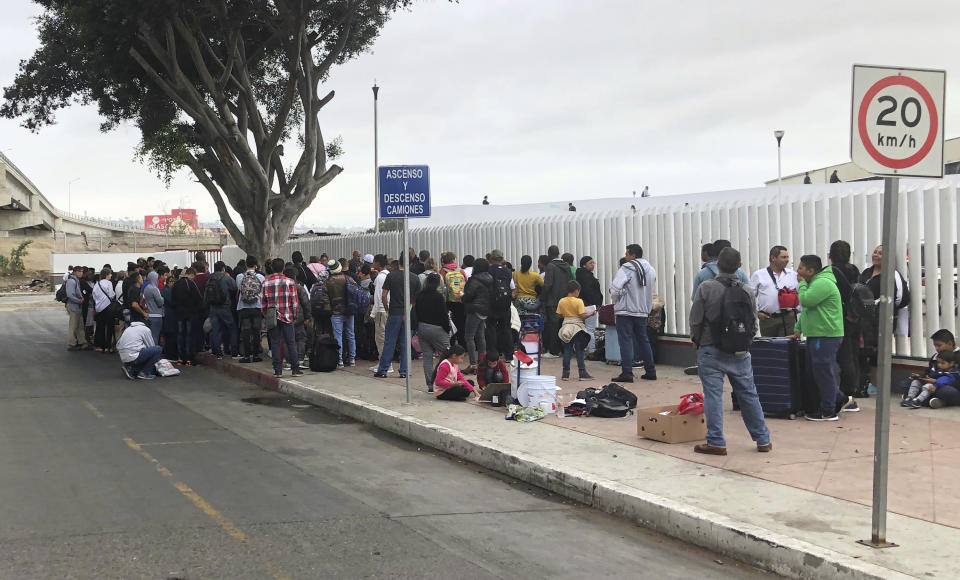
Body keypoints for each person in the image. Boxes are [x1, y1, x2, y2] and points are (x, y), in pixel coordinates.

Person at [689, 247, 771, 455]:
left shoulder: (706, 287)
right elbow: (753, 321)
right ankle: (763, 439)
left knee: (713, 396)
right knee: (749, 394)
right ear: (739, 266)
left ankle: (716, 441)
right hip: (740, 351)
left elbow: (696, 319)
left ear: (718, 264)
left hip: (710, 349)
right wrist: (745, 342)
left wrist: (698, 342)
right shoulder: (746, 290)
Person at [793, 254, 858, 421]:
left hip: (826, 335)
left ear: (811, 270)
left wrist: (800, 284)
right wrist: (798, 328)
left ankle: (828, 410)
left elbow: (806, 301)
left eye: (801, 268)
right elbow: (808, 311)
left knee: (823, 372)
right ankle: (839, 399)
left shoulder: (822, 283)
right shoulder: (814, 283)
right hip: (818, 333)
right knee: (817, 371)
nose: (797, 271)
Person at [859, 244, 910, 388]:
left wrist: (885, 307)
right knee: (864, 351)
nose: (876, 255)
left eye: (880, 253)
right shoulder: (866, 273)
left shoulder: (892, 275)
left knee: (877, 352)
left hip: (882, 320)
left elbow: (902, 298)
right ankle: (864, 381)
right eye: (875, 252)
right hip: (864, 320)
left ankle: (875, 384)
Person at [609, 244, 658, 382]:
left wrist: (616, 300)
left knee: (625, 341)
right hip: (642, 310)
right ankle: (650, 371)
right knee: (643, 340)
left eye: (627, 254)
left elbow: (615, 289)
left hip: (625, 310)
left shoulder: (625, 268)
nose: (625, 257)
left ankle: (627, 373)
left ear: (633, 255)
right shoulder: (651, 270)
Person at [829, 240, 865, 398]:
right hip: (855, 318)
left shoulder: (831, 272)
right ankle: (853, 388)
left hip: (840, 318)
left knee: (844, 357)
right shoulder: (855, 270)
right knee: (853, 354)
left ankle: (846, 392)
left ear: (830, 255)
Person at [374, 255, 421, 379]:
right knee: (406, 343)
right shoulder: (415, 278)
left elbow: (384, 295)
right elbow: (417, 298)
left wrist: (387, 308)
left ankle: (383, 369)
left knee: (389, 341)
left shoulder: (391, 276)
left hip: (394, 312)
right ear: (410, 264)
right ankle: (404, 371)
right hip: (408, 314)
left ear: (398, 262)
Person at [262, 257, 303, 377]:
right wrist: (294, 315)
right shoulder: (290, 282)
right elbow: (295, 303)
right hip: (287, 316)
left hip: (272, 316)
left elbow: (263, 303)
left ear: (272, 268)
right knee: (291, 342)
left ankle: (277, 370)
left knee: (275, 343)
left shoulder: (266, 283)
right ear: (283, 268)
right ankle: (295, 369)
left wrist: (267, 315)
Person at [749, 246, 799, 337]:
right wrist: (757, 313)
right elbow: (749, 297)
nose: (787, 260)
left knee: (787, 348)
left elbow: (802, 294)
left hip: (788, 319)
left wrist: (797, 310)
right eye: (783, 257)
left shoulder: (793, 275)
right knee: (770, 348)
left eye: (787, 257)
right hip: (768, 319)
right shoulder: (759, 275)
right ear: (773, 258)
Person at [415, 273, 451, 391]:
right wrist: (447, 329)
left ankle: (430, 385)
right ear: (438, 283)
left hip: (422, 327)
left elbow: (416, 312)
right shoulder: (438, 296)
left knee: (427, 357)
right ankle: (447, 381)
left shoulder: (420, 295)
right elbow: (443, 315)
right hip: (437, 328)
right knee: (447, 356)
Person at [557, 280, 595, 381]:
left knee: (567, 350)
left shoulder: (561, 301)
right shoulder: (579, 301)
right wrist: (591, 314)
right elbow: (582, 315)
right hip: (577, 327)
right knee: (579, 350)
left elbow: (559, 314)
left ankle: (565, 373)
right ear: (576, 291)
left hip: (566, 326)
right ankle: (582, 373)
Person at [323, 259, 358, 368]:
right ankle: (352, 359)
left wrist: (329, 310)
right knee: (351, 335)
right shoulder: (349, 279)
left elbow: (325, 300)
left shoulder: (328, 282)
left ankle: (340, 361)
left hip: (336, 312)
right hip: (349, 311)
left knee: (338, 336)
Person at [461, 258, 492, 373]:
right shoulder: (490, 278)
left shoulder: (474, 280)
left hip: (474, 310)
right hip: (485, 310)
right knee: (480, 336)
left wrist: (462, 297)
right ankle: (482, 363)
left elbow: (469, 295)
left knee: (469, 336)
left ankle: (473, 364)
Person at [542, 245, 573, 357]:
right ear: (558, 253)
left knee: (553, 326)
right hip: (565, 300)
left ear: (550, 254)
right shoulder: (567, 266)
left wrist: (542, 297)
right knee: (564, 325)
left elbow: (548, 284)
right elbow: (571, 283)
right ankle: (565, 349)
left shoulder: (551, 266)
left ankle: (553, 351)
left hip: (552, 301)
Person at [486, 249, 516, 362]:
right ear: (502, 259)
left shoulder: (489, 271)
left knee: (491, 329)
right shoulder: (508, 271)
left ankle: (494, 354)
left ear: (491, 259)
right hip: (505, 303)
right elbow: (513, 288)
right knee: (506, 328)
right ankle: (509, 355)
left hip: (492, 304)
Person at [205, 261, 238, 359]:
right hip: (225, 306)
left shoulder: (209, 278)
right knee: (232, 328)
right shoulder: (226, 278)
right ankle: (234, 352)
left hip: (213, 307)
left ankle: (217, 352)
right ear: (223, 268)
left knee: (216, 330)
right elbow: (234, 287)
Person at [236, 256, 265, 363]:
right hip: (257, 306)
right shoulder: (261, 277)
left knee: (246, 332)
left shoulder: (240, 276)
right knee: (257, 331)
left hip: (243, 307)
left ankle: (247, 356)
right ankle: (256, 355)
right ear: (256, 265)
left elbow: (240, 289)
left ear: (246, 265)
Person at [172, 268, 202, 366]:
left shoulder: (176, 284)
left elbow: (173, 300)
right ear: (191, 275)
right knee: (189, 335)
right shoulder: (191, 284)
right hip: (190, 314)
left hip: (179, 314)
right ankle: (189, 358)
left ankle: (180, 358)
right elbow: (198, 298)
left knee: (180, 335)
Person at [369, 255, 392, 371]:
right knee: (386, 338)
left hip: (381, 310)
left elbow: (378, 297)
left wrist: (373, 314)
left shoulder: (379, 278)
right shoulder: (389, 275)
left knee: (380, 338)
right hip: (388, 310)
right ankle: (385, 363)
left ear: (378, 263)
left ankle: (385, 364)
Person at [575, 256, 603, 354]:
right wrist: (597, 303)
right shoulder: (587, 277)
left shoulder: (581, 275)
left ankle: (582, 349)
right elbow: (590, 292)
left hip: (583, 305)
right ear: (584, 264)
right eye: (590, 263)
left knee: (583, 329)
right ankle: (591, 351)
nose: (593, 265)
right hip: (589, 306)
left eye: (593, 263)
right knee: (590, 329)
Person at [439, 252, 467, 348]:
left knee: (450, 323)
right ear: (454, 259)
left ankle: (451, 344)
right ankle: (463, 344)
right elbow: (466, 284)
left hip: (448, 301)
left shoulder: (442, 272)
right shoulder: (461, 271)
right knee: (461, 323)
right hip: (460, 300)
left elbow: (440, 288)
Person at [92, 267, 117, 352]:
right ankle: (108, 346)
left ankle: (99, 345)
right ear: (107, 275)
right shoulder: (109, 283)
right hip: (108, 307)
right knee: (109, 327)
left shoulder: (97, 284)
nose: (111, 275)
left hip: (99, 308)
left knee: (100, 327)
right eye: (110, 274)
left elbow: (94, 295)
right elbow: (111, 295)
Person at [63, 265, 88, 350]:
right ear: (74, 272)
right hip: (74, 305)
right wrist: (79, 300)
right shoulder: (71, 281)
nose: (81, 273)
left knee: (80, 325)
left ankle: (82, 341)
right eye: (79, 271)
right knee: (73, 326)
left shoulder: (76, 280)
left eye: (81, 271)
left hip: (77, 306)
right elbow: (70, 295)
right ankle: (71, 343)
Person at [160, 268, 179, 361]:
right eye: (172, 281)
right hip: (171, 316)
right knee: (171, 336)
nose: (173, 283)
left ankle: (167, 354)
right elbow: (173, 302)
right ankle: (171, 355)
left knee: (167, 336)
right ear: (168, 282)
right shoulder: (168, 291)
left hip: (165, 315)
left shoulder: (162, 291)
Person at [143, 271, 165, 346]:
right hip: (157, 315)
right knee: (156, 336)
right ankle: (155, 355)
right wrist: (163, 298)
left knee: (151, 337)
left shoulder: (146, 288)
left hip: (149, 315)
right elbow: (160, 303)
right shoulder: (155, 289)